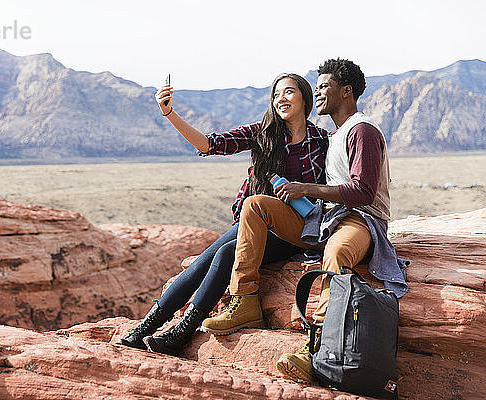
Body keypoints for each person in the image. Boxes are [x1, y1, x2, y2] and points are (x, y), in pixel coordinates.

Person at [200, 58, 408, 382]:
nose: (319, 93)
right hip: (323, 220)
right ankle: (245, 302)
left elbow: (364, 192)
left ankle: (317, 348)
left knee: (337, 254)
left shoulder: (362, 130)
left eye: (325, 86)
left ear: (346, 92)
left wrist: (304, 188)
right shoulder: (336, 135)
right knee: (256, 206)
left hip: (359, 221)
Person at [116, 73, 329, 355]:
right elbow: (208, 144)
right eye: (276, 94)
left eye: (288, 92)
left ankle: (179, 331)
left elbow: (333, 187)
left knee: (220, 255)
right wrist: (169, 114)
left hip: (297, 230)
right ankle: (147, 329)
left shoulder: (322, 141)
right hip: (257, 223)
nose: (281, 99)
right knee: (211, 259)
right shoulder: (263, 133)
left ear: (305, 97)